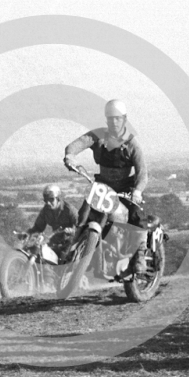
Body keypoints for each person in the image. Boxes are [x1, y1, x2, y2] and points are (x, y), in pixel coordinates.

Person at [63, 99, 149, 274]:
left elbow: (142, 173)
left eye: (118, 118)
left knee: (136, 216)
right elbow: (75, 145)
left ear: (124, 119)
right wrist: (70, 156)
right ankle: (73, 248)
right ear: (106, 120)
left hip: (126, 188)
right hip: (102, 184)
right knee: (84, 213)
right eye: (110, 119)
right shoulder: (98, 136)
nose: (114, 122)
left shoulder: (132, 144)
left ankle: (139, 255)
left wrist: (138, 191)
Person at [27, 184, 78, 258]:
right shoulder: (45, 211)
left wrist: (72, 230)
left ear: (58, 198)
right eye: (46, 200)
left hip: (71, 242)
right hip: (55, 241)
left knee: (64, 257)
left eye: (51, 199)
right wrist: (26, 234)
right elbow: (38, 227)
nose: (48, 203)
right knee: (41, 255)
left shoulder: (69, 210)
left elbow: (81, 225)